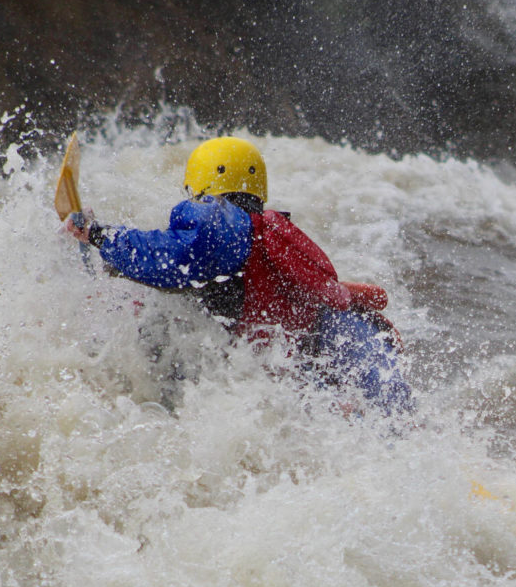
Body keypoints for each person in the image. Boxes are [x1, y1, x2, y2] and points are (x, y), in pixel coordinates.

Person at [64, 136, 412, 416]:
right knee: (387, 415)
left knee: (158, 322)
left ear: (200, 188)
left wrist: (98, 235)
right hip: (315, 365)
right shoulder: (277, 234)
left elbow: (171, 258)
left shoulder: (220, 223)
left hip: (266, 383)